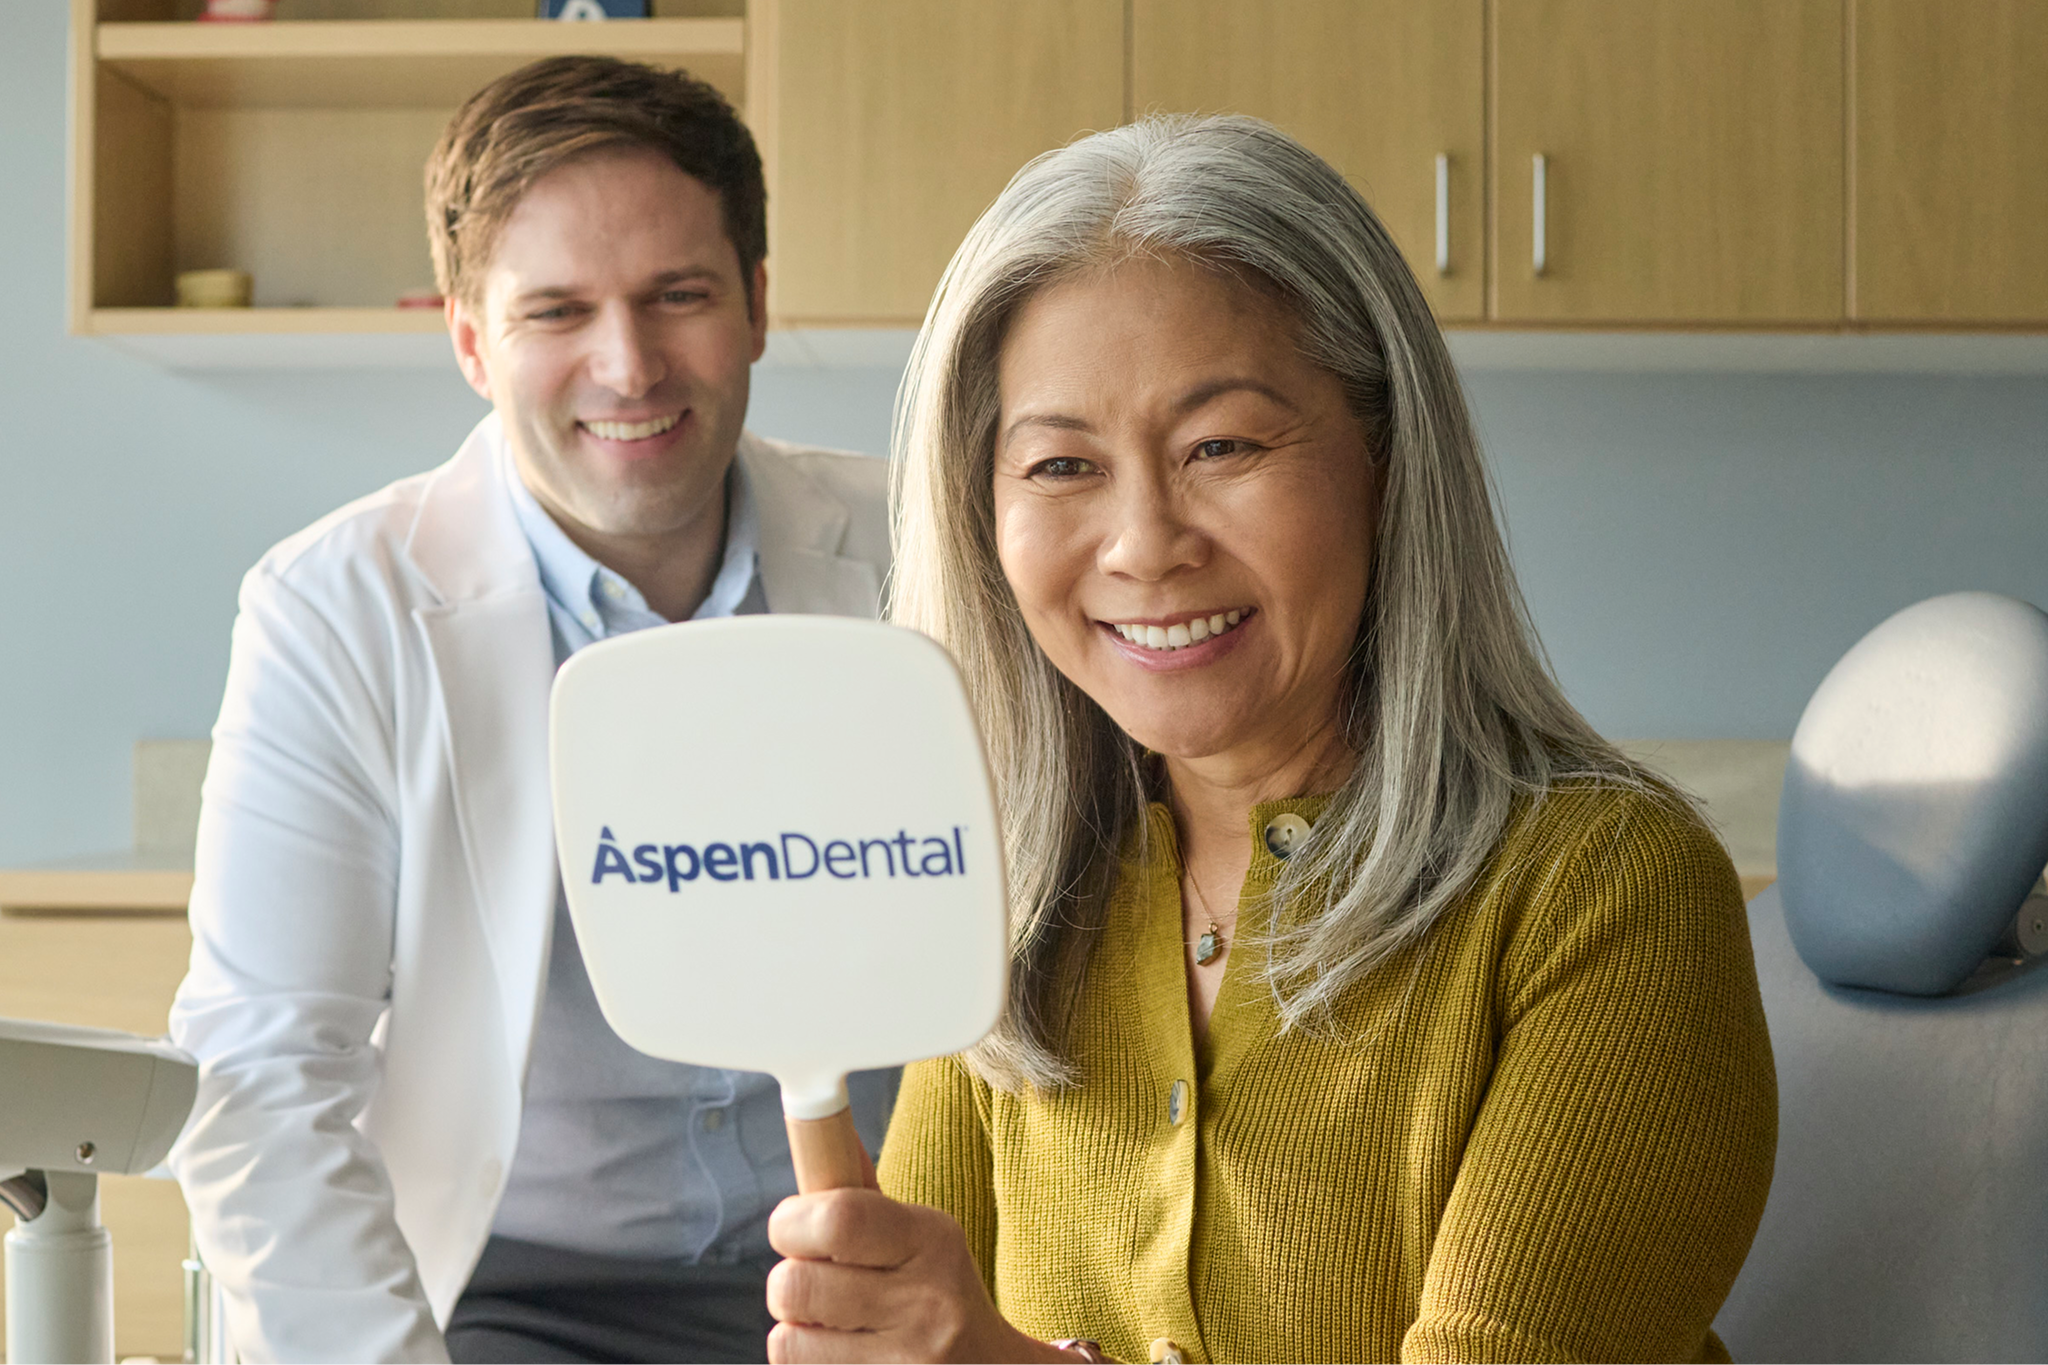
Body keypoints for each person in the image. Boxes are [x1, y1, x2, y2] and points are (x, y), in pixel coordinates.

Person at [761, 115, 1777, 1365]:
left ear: (1386, 457)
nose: (1142, 543)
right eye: (1061, 464)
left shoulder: (1610, 890)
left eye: (1220, 447)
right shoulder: (1016, 895)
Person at [167, 56, 895, 1365]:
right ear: (468, 339)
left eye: (680, 296)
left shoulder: (928, 546)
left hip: (898, 1271)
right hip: (518, 1303)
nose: (629, 366)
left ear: (759, 306)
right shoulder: (337, 610)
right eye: (558, 310)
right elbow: (266, 1077)